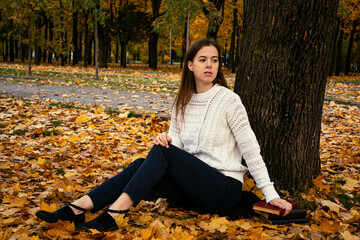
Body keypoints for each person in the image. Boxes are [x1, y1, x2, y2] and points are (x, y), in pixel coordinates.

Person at [36, 38, 293, 232]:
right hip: (193, 189)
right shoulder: (182, 101)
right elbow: (177, 148)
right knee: (140, 164)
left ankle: (115, 214)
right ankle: (78, 208)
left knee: (160, 153)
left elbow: (251, 150)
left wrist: (271, 195)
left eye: (214, 60)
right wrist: (166, 139)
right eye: (203, 60)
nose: (210, 65)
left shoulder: (229, 100)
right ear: (190, 65)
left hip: (223, 188)